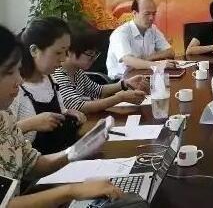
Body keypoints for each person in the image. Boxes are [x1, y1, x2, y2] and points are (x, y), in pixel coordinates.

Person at [0, 24, 122, 207]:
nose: (18, 80)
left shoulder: (4, 116)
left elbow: (32, 164)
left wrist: (78, 150)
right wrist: (71, 191)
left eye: (18, 70)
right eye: (9, 72)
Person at [11, 18, 86, 154]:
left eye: (66, 52)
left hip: (61, 155)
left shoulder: (50, 79)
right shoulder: (13, 88)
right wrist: (30, 124)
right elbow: (4, 138)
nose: (63, 59)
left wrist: (68, 113)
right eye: (58, 52)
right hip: (34, 163)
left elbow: (59, 112)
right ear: (34, 50)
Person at [52, 21, 148, 114]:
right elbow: (79, 107)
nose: (94, 58)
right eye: (90, 54)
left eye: (96, 53)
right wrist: (120, 98)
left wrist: (125, 84)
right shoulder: (58, 76)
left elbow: (98, 91)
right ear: (69, 52)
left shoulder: (77, 71)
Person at [106, 0, 175, 78]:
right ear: (134, 13)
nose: (151, 18)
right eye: (147, 14)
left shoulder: (152, 29)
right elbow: (129, 61)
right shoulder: (120, 33)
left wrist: (147, 58)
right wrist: (158, 65)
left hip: (145, 73)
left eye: (154, 14)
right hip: (123, 79)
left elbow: (170, 52)